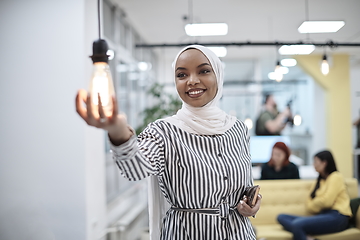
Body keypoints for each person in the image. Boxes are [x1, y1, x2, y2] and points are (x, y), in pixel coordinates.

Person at [76, 45, 261, 240]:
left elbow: (246, 188)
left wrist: (252, 204)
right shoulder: (164, 132)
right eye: (182, 75)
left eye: (204, 71)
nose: (192, 81)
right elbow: (135, 168)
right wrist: (118, 131)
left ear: (219, 75)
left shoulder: (238, 129)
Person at [277, 150, 352, 240]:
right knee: (281, 217)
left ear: (324, 163)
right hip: (322, 215)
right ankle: (305, 236)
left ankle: (301, 232)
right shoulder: (318, 181)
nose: (313, 164)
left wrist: (318, 202)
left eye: (316, 162)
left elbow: (326, 202)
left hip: (338, 216)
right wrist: (320, 201)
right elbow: (309, 206)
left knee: (297, 224)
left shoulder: (336, 176)